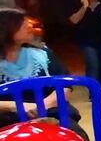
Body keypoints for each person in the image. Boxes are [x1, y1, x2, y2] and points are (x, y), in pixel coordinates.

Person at [0, 8, 90, 140]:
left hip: (50, 112)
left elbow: (65, 85)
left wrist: (43, 105)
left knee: (73, 134)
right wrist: (17, 106)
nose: (29, 27)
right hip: (6, 117)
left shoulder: (43, 55)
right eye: (22, 24)